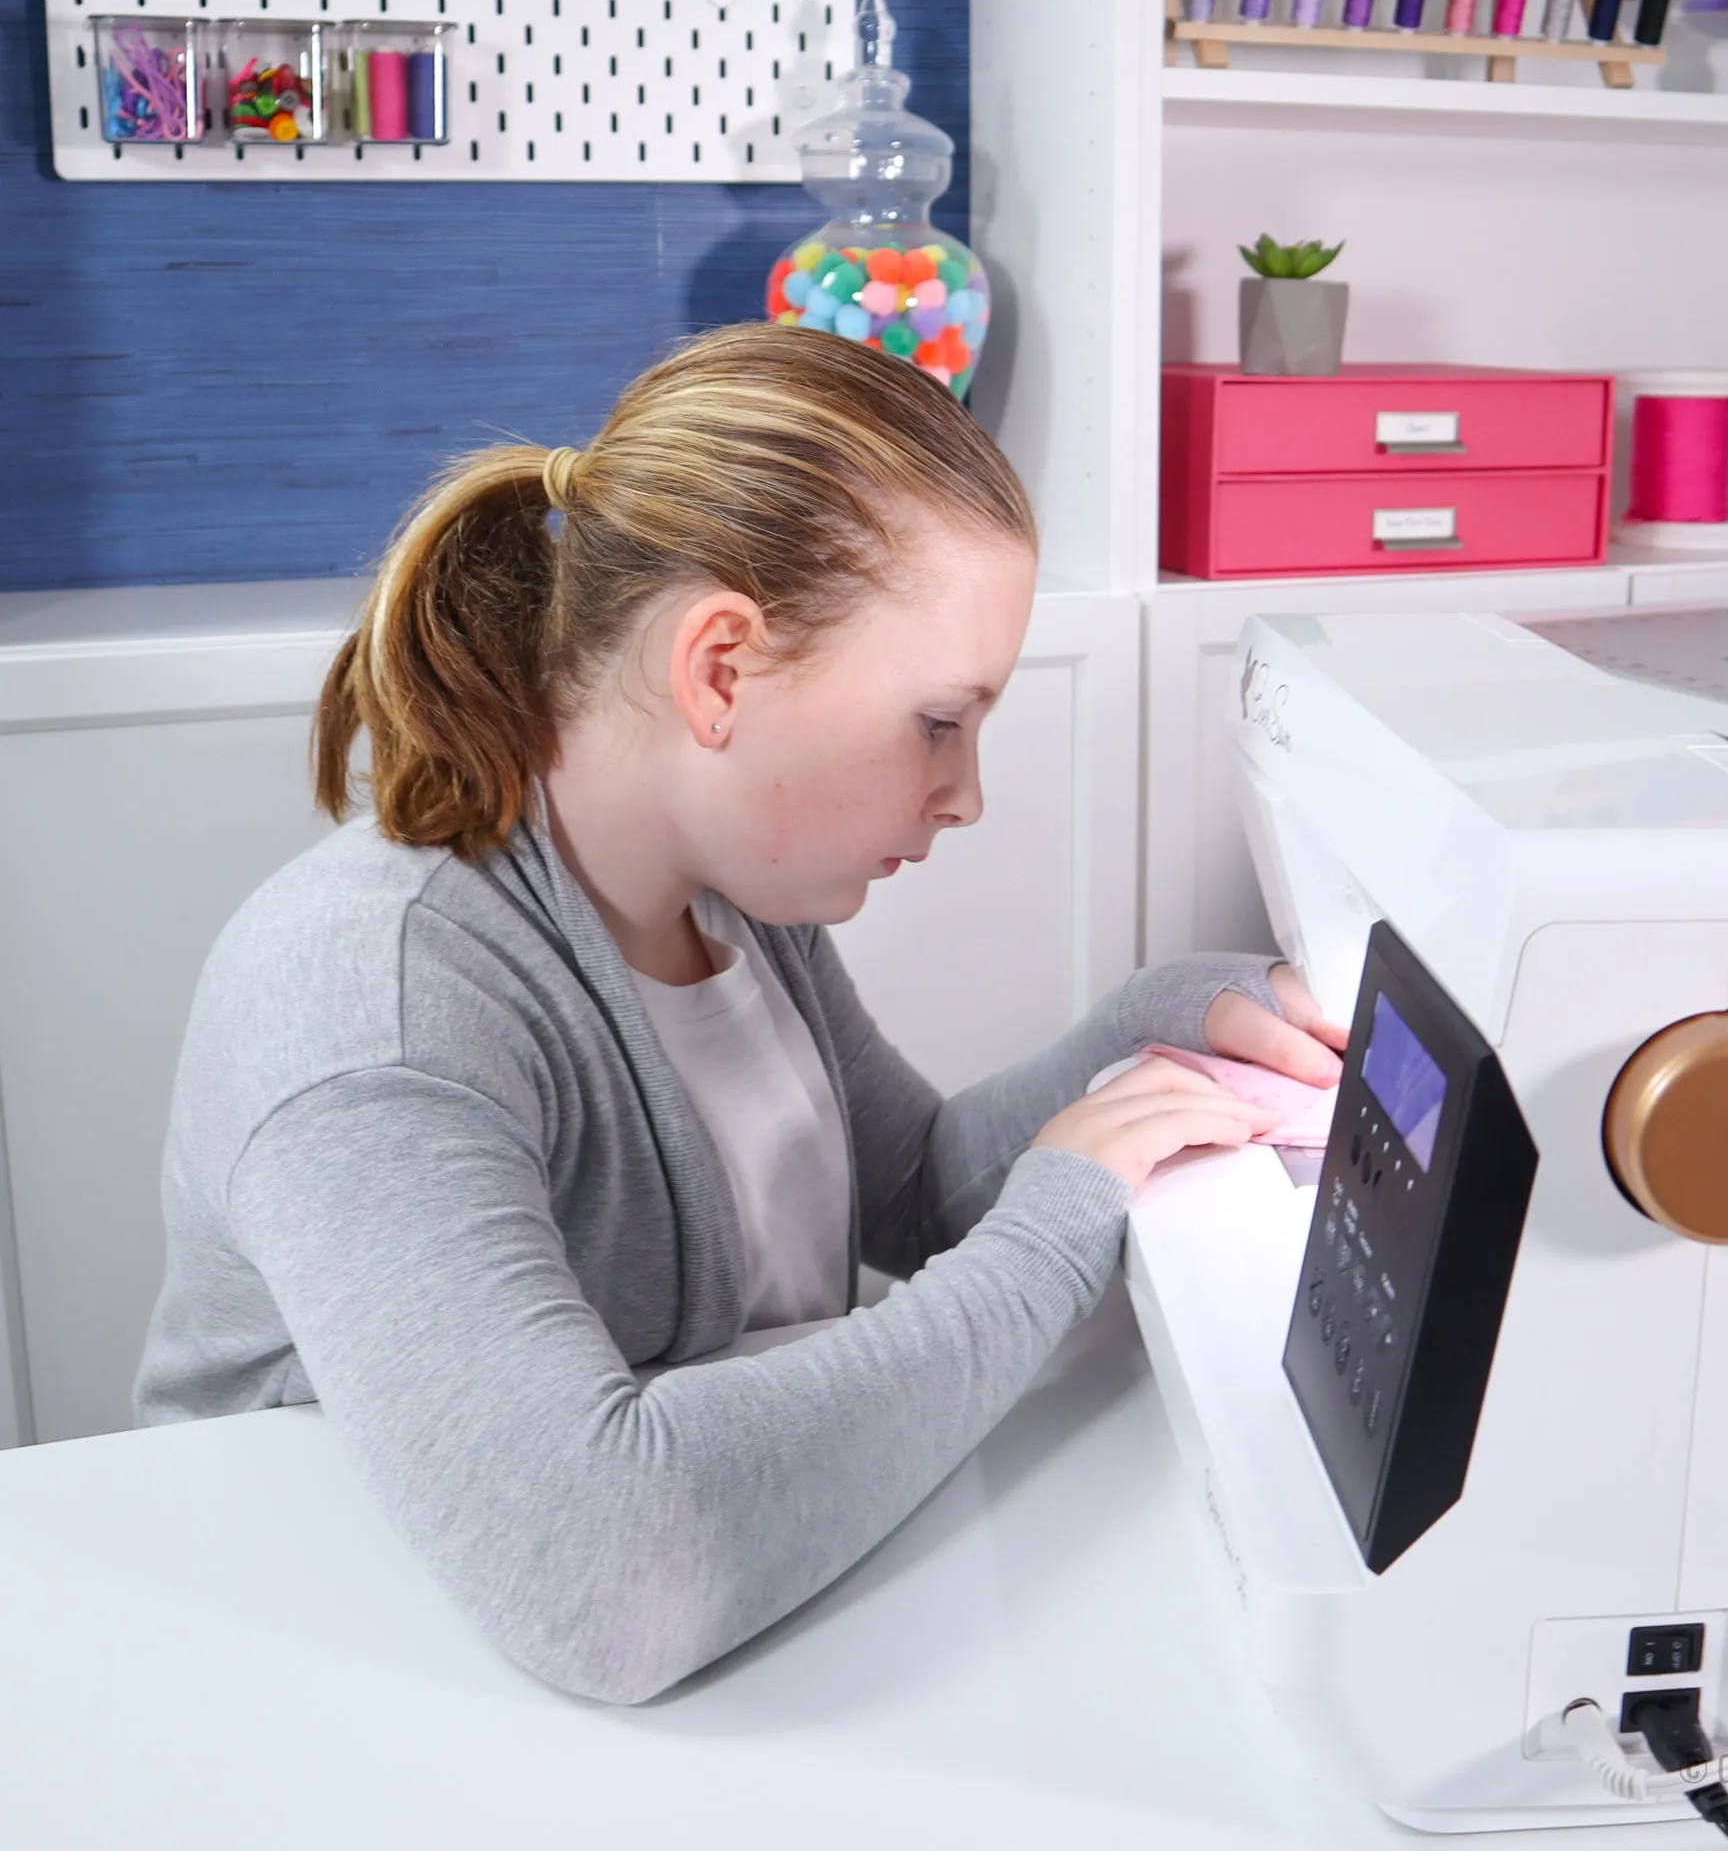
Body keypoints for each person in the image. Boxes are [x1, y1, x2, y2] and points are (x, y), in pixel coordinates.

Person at [135, 325, 1345, 1704]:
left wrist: (1159, 1028)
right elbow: (606, 1576)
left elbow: (913, 1190)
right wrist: (1055, 1231)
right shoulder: (379, 1006)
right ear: (718, 667)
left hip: (704, 1670)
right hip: (348, 1684)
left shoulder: (727, 897)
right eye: (939, 722)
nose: (965, 795)